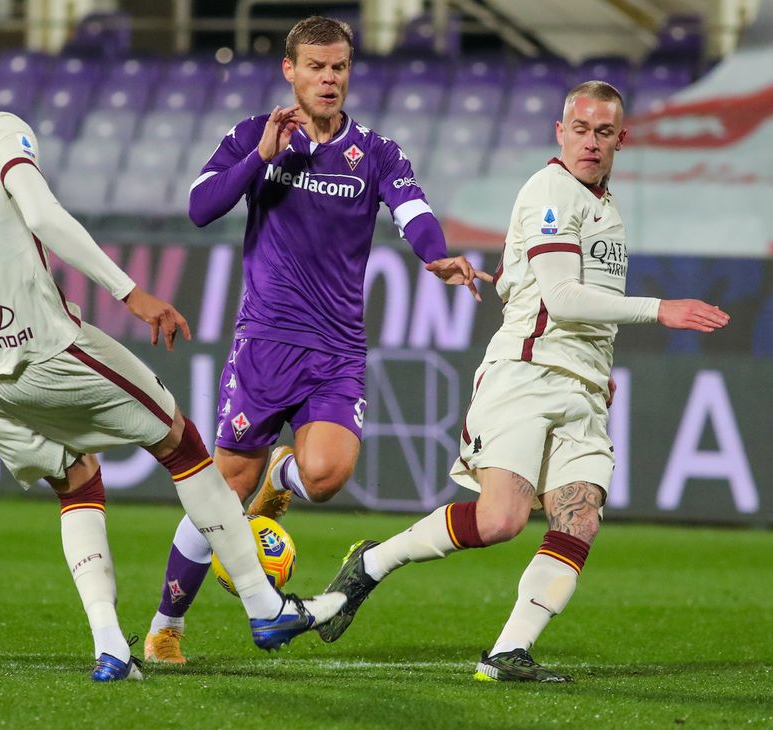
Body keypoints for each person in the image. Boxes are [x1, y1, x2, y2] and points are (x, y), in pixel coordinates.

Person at [0, 22, 344, 683]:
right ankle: (261, 603)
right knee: (183, 443)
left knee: (76, 480)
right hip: (43, 345)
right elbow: (44, 217)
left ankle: (110, 645)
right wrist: (131, 294)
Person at [317, 80, 731, 682]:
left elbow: (566, 296)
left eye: (604, 132)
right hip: (526, 376)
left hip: (582, 387)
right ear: (560, 133)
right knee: (501, 520)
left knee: (579, 517)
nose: (591, 143)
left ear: (622, 138)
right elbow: (561, 298)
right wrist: (660, 309)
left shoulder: (606, 206)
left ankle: (508, 652)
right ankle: (372, 563)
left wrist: (596, 369)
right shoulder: (549, 190)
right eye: (581, 130)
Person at [143, 15, 485, 664]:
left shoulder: (378, 152)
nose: (329, 79)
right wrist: (261, 159)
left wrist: (436, 257)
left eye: (340, 68)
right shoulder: (255, 136)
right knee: (221, 491)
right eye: (317, 68)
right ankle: (166, 627)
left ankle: (285, 475)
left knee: (326, 476)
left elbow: (414, 212)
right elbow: (199, 206)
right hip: (266, 344)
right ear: (290, 72)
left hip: (337, 351)